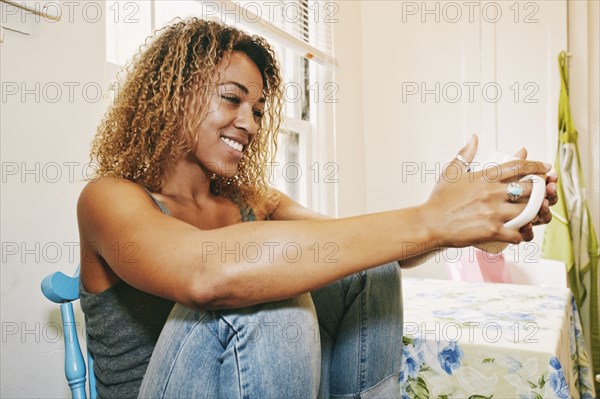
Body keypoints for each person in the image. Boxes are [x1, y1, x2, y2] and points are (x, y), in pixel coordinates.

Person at [77, 18, 558, 399]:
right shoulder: (110, 198)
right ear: (171, 95)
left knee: (364, 272)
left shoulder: (250, 199)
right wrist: (430, 221)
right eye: (232, 99)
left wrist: (460, 224)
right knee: (267, 300)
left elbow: (366, 251)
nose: (249, 122)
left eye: (259, 110)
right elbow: (207, 275)